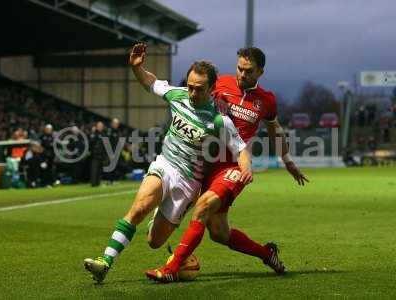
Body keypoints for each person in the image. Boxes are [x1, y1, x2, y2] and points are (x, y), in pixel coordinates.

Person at [83, 43, 252, 283]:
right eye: (190, 87)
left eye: (199, 89)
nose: (192, 94)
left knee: (154, 242)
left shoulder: (219, 120)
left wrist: (246, 169)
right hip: (166, 165)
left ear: (212, 88)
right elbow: (151, 83)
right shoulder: (177, 95)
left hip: (189, 183)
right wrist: (137, 68)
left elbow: (241, 149)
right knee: (138, 208)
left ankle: (160, 219)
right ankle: (105, 262)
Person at [146, 47, 309, 282]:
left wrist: (287, 160)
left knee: (202, 207)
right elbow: (190, 95)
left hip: (235, 167)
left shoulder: (266, 100)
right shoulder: (219, 83)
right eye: (239, 69)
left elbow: (275, 129)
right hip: (206, 165)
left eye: (249, 71)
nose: (242, 75)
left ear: (261, 72)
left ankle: (171, 269)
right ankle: (267, 254)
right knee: (219, 233)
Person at [89, 121, 106, 187]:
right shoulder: (94, 134)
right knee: (94, 169)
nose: (100, 127)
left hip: (101, 154)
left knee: (99, 169)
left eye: (101, 126)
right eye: (99, 126)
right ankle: (93, 183)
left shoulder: (103, 134)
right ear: (96, 126)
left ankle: (98, 182)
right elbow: (91, 143)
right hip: (95, 154)